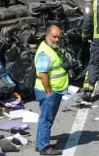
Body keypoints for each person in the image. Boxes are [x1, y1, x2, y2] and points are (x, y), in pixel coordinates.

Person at [34, 25, 68, 155]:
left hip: (54, 90)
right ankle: (44, 148)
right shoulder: (44, 53)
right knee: (46, 120)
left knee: (45, 118)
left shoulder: (50, 48)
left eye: (59, 37)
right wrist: (49, 92)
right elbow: (43, 74)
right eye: (54, 37)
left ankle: (40, 143)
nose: (57, 39)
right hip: (49, 91)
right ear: (47, 36)